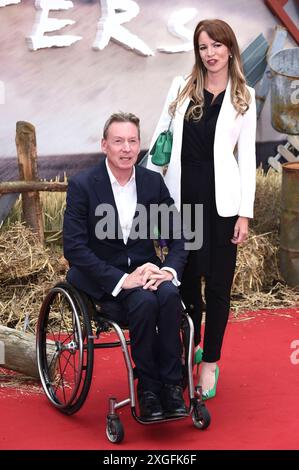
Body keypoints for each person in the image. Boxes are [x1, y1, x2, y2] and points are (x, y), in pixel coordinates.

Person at [147, 19, 256, 399]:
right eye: (203, 47)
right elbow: (161, 137)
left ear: (229, 49)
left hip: (223, 204)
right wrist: (148, 193)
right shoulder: (181, 87)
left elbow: (248, 157)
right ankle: (189, 344)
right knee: (188, 281)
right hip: (183, 199)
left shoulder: (245, 95)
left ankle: (210, 361)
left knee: (220, 288)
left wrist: (245, 213)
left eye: (216, 46)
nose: (210, 54)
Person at [63, 112, 189, 421]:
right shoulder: (83, 185)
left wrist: (168, 271)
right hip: (105, 278)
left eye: (132, 141)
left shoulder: (151, 182)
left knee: (170, 295)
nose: (126, 148)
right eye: (118, 141)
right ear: (104, 145)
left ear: (139, 146)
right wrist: (122, 280)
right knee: (145, 302)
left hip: (147, 272)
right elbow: (74, 248)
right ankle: (147, 387)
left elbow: (179, 235)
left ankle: (172, 386)